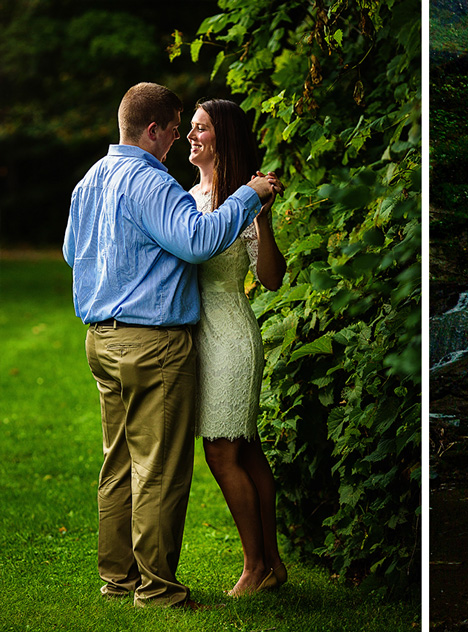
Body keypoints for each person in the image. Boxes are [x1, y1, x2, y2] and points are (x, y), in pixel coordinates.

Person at [62, 82, 278, 609]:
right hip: (152, 343)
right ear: (153, 130)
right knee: (158, 468)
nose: (181, 137)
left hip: (102, 339)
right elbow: (201, 241)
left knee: (117, 464)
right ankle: (157, 589)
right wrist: (251, 195)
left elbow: (73, 253)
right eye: (177, 127)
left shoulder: (91, 180)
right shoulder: (153, 183)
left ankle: (119, 578)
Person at [186, 98, 288, 596]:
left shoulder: (244, 199)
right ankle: (273, 564)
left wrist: (264, 220)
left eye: (200, 128)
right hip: (198, 334)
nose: (190, 136)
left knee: (222, 452)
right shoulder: (190, 194)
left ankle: (254, 567)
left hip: (231, 335)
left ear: (221, 137)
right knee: (247, 453)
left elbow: (270, 280)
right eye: (190, 128)